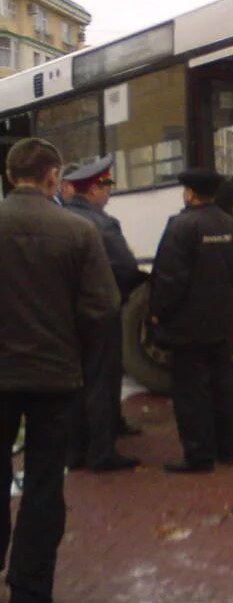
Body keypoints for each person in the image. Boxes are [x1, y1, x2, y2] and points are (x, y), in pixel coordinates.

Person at [0, 138, 119, 603]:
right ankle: (29, 597)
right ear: (53, 176)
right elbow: (103, 308)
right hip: (55, 377)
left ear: (10, 177)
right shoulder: (77, 233)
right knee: (45, 485)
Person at [149, 168, 233, 473]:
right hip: (220, 321)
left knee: (191, 392)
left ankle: (199, 455)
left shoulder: (181, 226)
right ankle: (227, 449)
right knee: (223, 386)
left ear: (189, 193)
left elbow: (169, 278)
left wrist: (158, 312)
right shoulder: (228, 223)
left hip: (187, 325)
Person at [63, 154, 145, 472]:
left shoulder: (61, 218)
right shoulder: (103, 223)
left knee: (76, 381)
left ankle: (75, 450)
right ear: (93, 189)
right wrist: (116, 296)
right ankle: (102, 452)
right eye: (107, 184)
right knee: (102, 381)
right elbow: (125, 267)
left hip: (68, 316)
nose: (109, 190)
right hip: (99, 314)